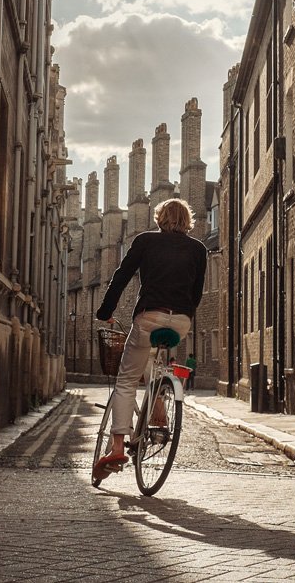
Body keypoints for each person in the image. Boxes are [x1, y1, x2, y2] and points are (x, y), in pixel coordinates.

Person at [93, 197, 207, 481]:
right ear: (188, 222)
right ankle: (159, 414)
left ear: (159, 219)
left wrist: (105, 310)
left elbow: (121, 277)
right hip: (181, 321)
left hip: (149, 316)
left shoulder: (145, 241)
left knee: (126, 380)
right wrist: (183, 314)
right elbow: (196, 293)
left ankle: (117, 447)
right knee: (153, 361)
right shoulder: (198, 249)